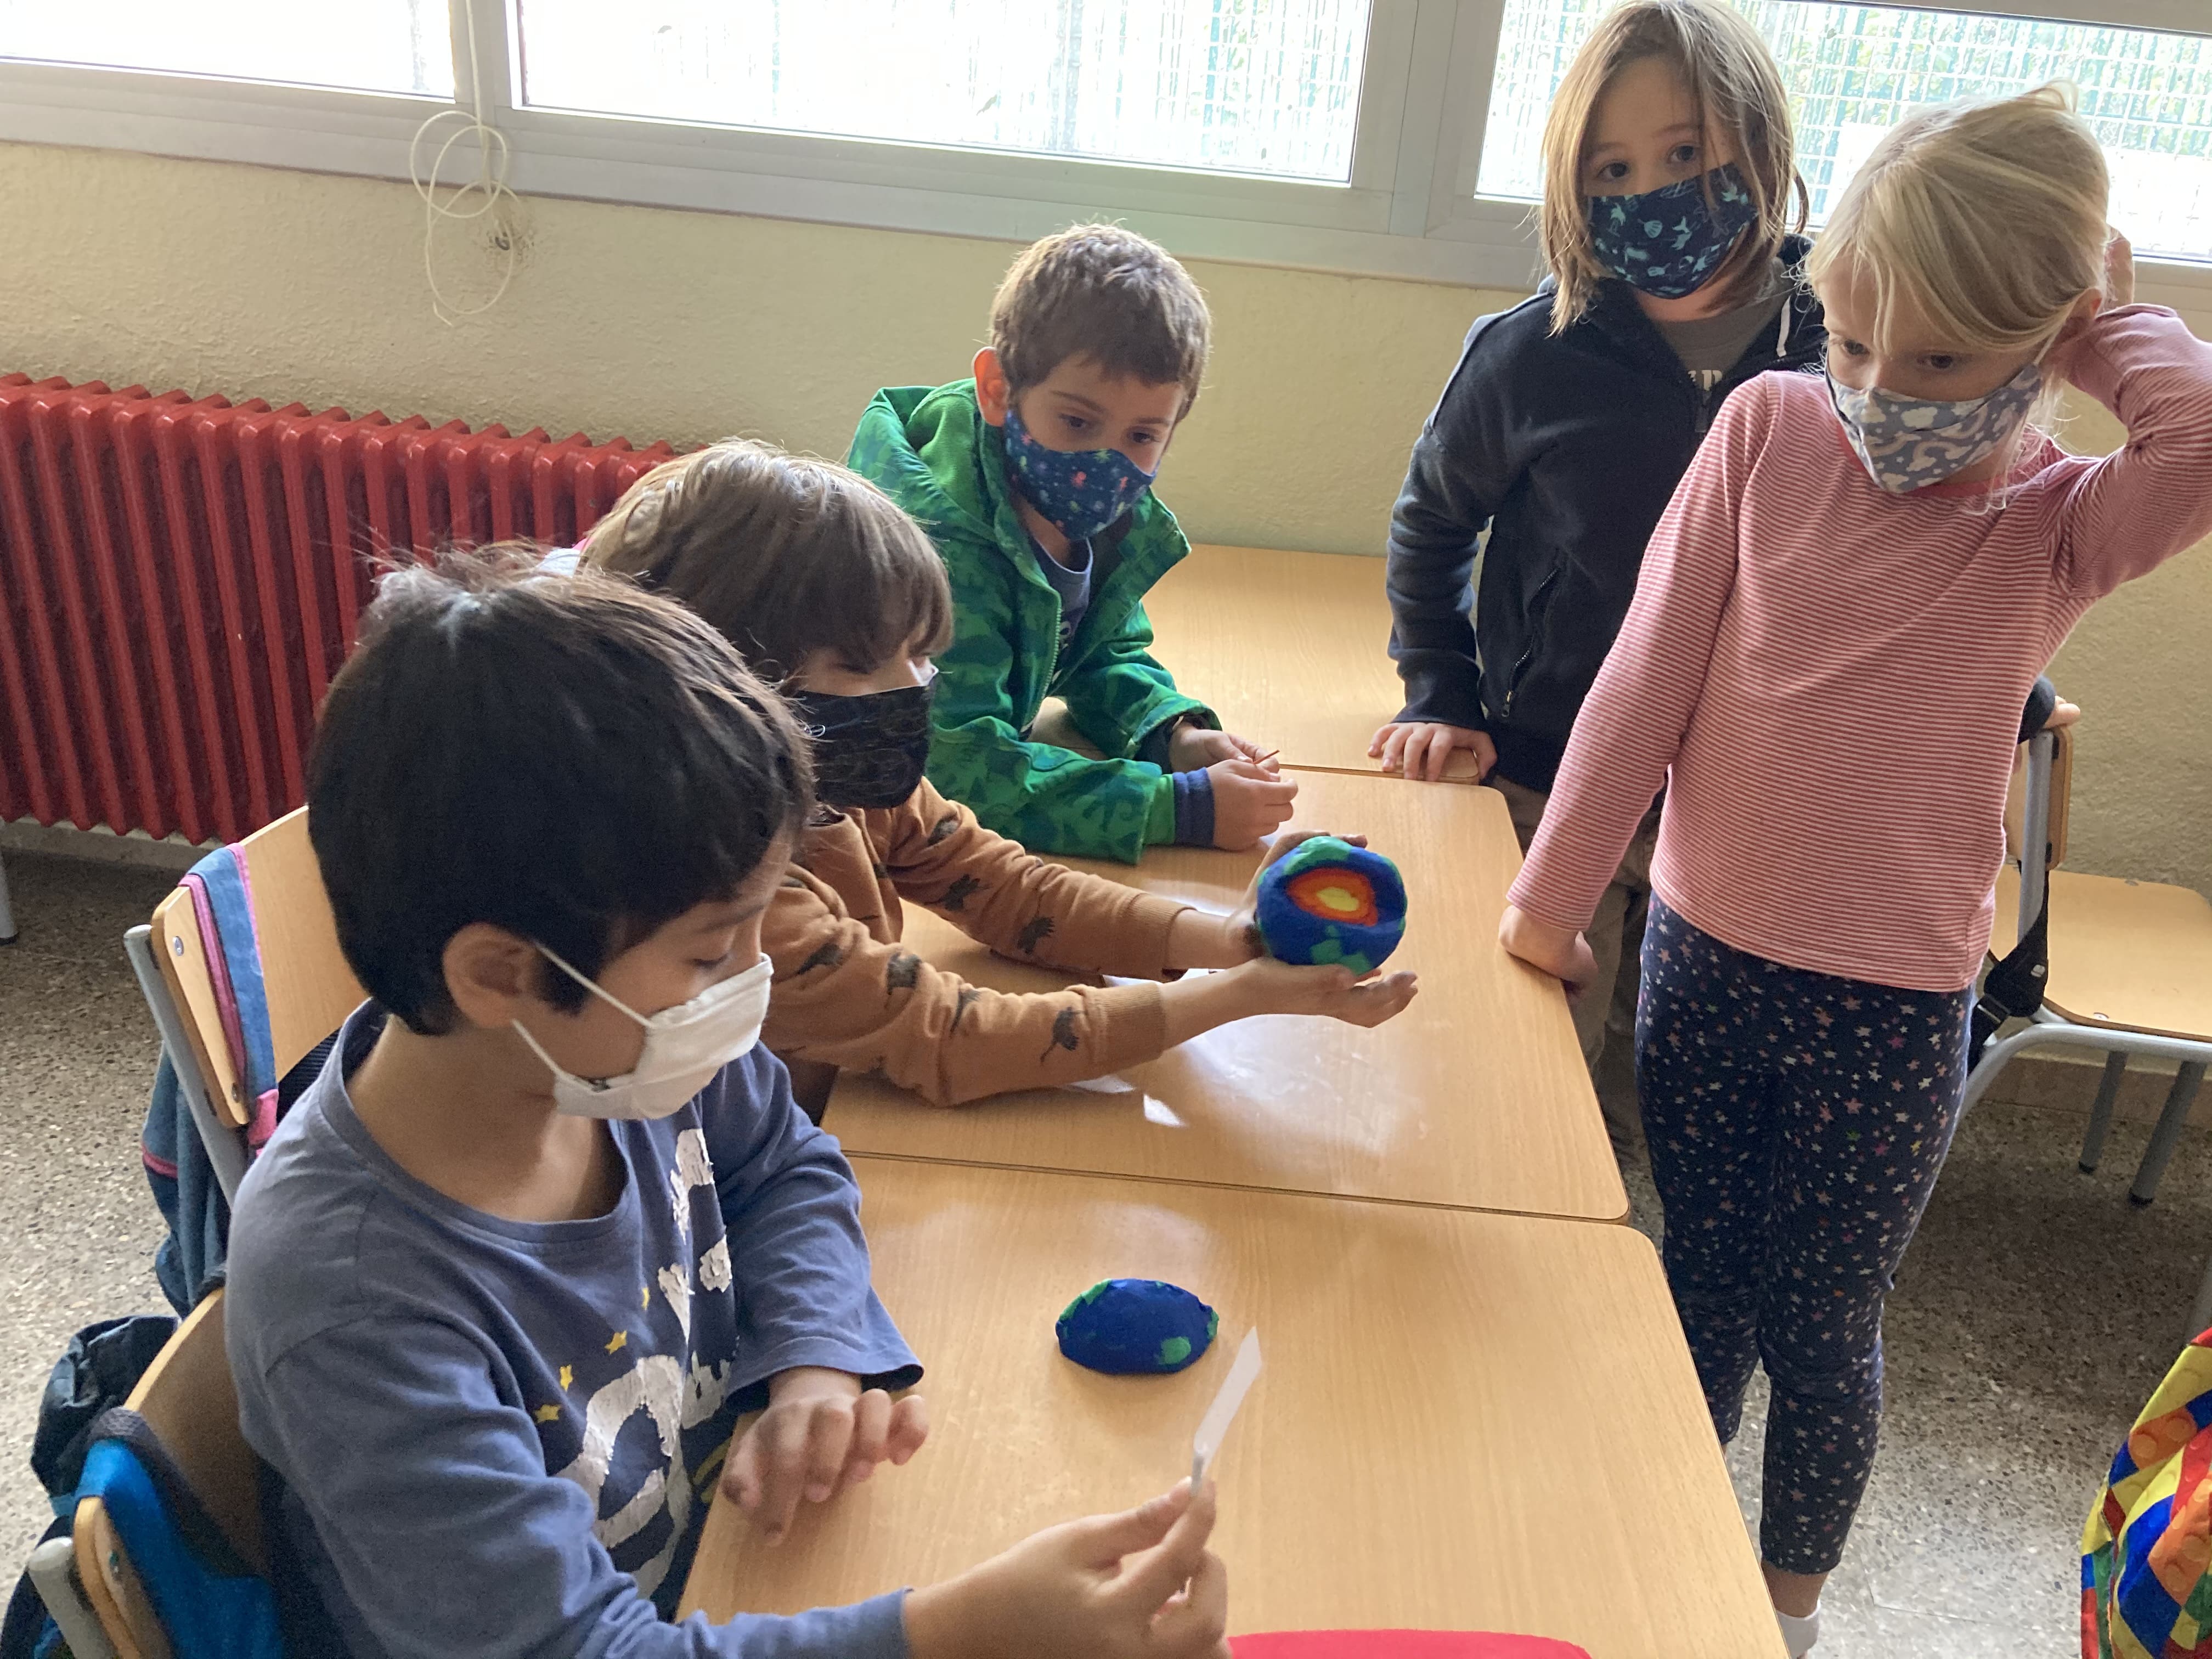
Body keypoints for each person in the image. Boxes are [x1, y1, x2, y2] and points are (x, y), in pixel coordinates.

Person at [1499, 86, 2211, 1656]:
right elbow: (1644, 681)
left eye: (1942, 362)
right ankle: (1664, 1549)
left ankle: (1784, 1611)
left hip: (1888, 1012)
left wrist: (2107, 324)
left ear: (2042, 344)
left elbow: (2203, 439)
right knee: (1700, 1285)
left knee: (1822, 1327)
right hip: (1701, 957)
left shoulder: (2058, 522)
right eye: (1858, 344)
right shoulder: (1767, 429)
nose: (1886, 395)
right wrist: (1550, 902)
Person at [224, 551, 1233, 1657]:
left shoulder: (599, 1057)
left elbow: (783, 1163)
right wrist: (958, 1637)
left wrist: (812, 1352)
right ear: (500, 974)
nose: (755, 976)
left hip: (740, 1571)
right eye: (712, 951)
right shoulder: (357, 1306)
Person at [577, 440, 1417, 1111]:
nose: (913, 689)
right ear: (724, 684)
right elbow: (951, 1038)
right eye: (863, 665)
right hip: (758, 1159)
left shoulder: (847, 781)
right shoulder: (740, 897)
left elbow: (1007, 887)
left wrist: (1228, 940)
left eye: (919, 655)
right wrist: (1233, 996)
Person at [1370, 0, 1822, 1147]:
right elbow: (1433, 522)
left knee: (1675, 1105)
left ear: (1759, 146)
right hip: (1551, 763)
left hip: (1744, 802)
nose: (1653, 192)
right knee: (1533, 1086)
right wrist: (1439, 689)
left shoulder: (1845, 346)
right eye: (1613, 169)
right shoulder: (1532, 354)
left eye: (1686, 152)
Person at [848, 222, 1294, 864]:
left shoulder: (1099, 516)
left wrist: (1171, 732)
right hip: (852, 832)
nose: (1103, 463)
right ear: (999, 390)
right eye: (1078, 421)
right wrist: (1176, 807)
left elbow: (1096, 651)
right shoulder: (936, 553)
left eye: (1142, 436)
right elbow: (955, 770)